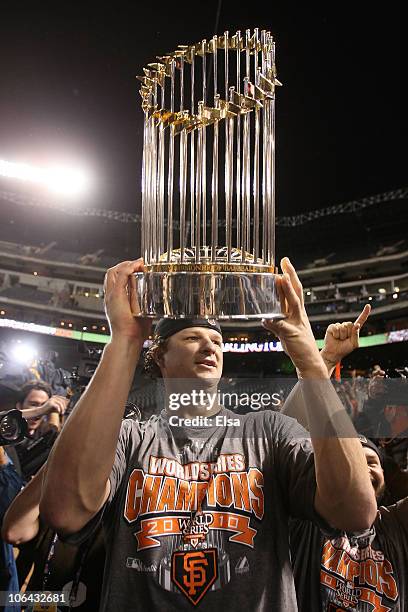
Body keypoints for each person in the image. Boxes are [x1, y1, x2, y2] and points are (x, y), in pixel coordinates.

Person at [39, 258, 376, 611]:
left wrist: (310, 361)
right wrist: (124, 340)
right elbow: (64, 511)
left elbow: (355, 512)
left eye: (216, 340)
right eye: (192, 337)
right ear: (160, 357)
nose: (210, 346)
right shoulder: (130, 437)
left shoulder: (268, 430)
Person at [290, 438, 408, 611]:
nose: (362, 471)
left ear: (384, 473)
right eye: (354, 463)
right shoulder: (306, 520)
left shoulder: (397, 524)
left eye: (371, 462)